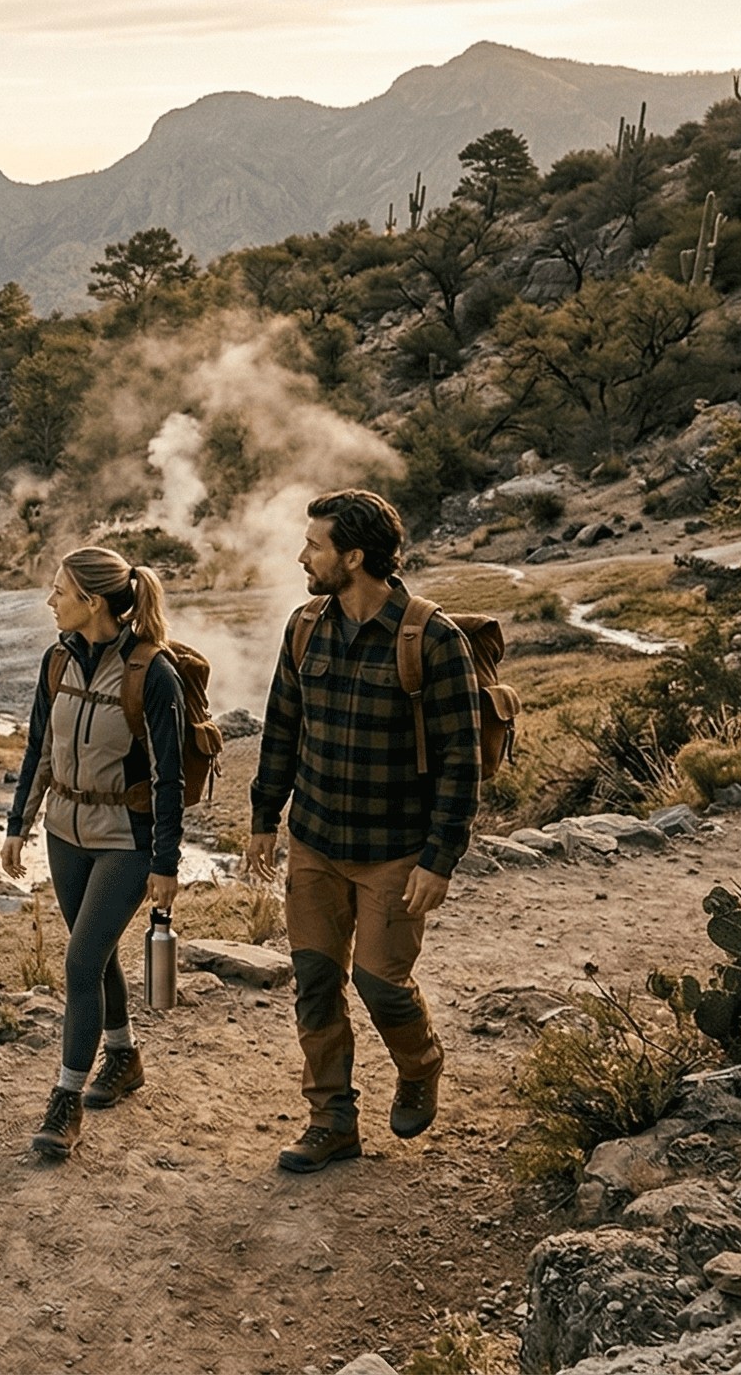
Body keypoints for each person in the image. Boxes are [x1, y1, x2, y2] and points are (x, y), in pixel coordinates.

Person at [245, 489, 481, 1173]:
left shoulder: (433, 639)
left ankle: (420, 1063)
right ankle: (331, 1122)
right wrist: (265, 818)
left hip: (394, 854)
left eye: (315, 546)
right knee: (315, 983)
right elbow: (281, 728)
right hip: (315, 841)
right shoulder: (305, 626)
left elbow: (461, 764)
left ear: (353, 556)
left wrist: (438, 860)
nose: (302, 556)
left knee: (381, 984)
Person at [2, 544, 187, 1161]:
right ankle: (124, 1055)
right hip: (64, 832)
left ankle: (65, 1102)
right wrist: (17, 825)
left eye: (59, 591)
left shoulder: (151, 672)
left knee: (80, 963)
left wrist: (165, 863)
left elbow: (169, 777)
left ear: (93, 601)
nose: (49, 601)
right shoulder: (56, 661)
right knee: (97, 949)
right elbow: (38, 747)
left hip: (124, 842)